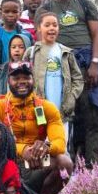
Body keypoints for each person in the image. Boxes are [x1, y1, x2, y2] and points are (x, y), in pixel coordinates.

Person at [40, 0, 98, 161]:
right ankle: (63, 165)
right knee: (61, 116)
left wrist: (95, 63)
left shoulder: (85, 4)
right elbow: (42, 37)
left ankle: (94, 167)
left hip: (86, 61)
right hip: (60, 62)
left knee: (93, 116)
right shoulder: (46, 8)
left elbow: (97, 34)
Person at [0, 61, 72, 194]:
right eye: (16, 78)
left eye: (26, 77)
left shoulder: (46, 108)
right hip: (7, 164)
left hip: (37, 161)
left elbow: (60, 144)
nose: (22, 82)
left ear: (33, 80)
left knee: (64, 163)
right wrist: (23, 150)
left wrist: (45, 148)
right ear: (8, 81)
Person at [29, 10, 84, 138]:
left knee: (61, 147)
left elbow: (78, 78)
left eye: (55, 25)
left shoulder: (65, 52)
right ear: (39, 28)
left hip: (62, 111)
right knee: (40, 145)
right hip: (39, 110)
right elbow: (24, 80)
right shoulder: (32, 53)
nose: (51, 28)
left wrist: (71, 98)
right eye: (47, 25)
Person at [0, 0, 32, 79]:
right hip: (0, 75)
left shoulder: (26, 35)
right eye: (6, 11)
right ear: (0, 12)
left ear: (20, 13)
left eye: (14, 12)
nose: (10, 15)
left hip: (20, 75)